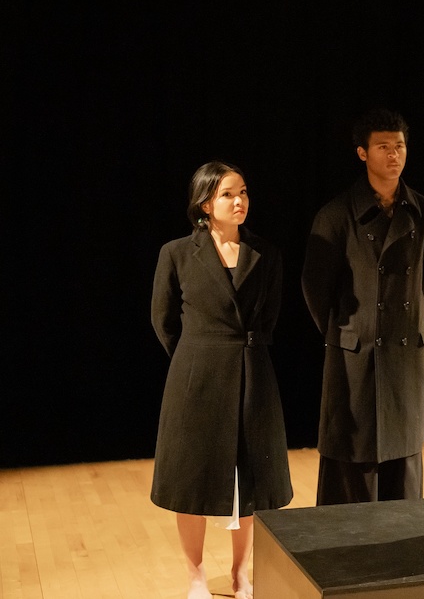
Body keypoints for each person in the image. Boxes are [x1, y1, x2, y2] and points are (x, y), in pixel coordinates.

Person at [151, 161, 293, 599]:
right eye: (230, 194)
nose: (240, 201)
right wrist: (197, 357)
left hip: (252, 374)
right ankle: (195, 575)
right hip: (196, 378)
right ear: (206, 202)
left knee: (248, 481)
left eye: (244, 192)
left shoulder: (265, 253)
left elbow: (270, 317)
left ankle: (240, 574)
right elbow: (163, 320)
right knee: (191, 481)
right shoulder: (176, 253)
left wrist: (241, 351)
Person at [302, 108, 424, 505]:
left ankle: (402, 548)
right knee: (355, 451)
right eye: (383, 147)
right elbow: (316, 289)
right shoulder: (335, 215)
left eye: (399, 146)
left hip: (406, 349)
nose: (394, 155)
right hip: (355, 352)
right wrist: (351, 330)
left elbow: (422, 281)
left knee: (404, 449)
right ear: (363, 153)